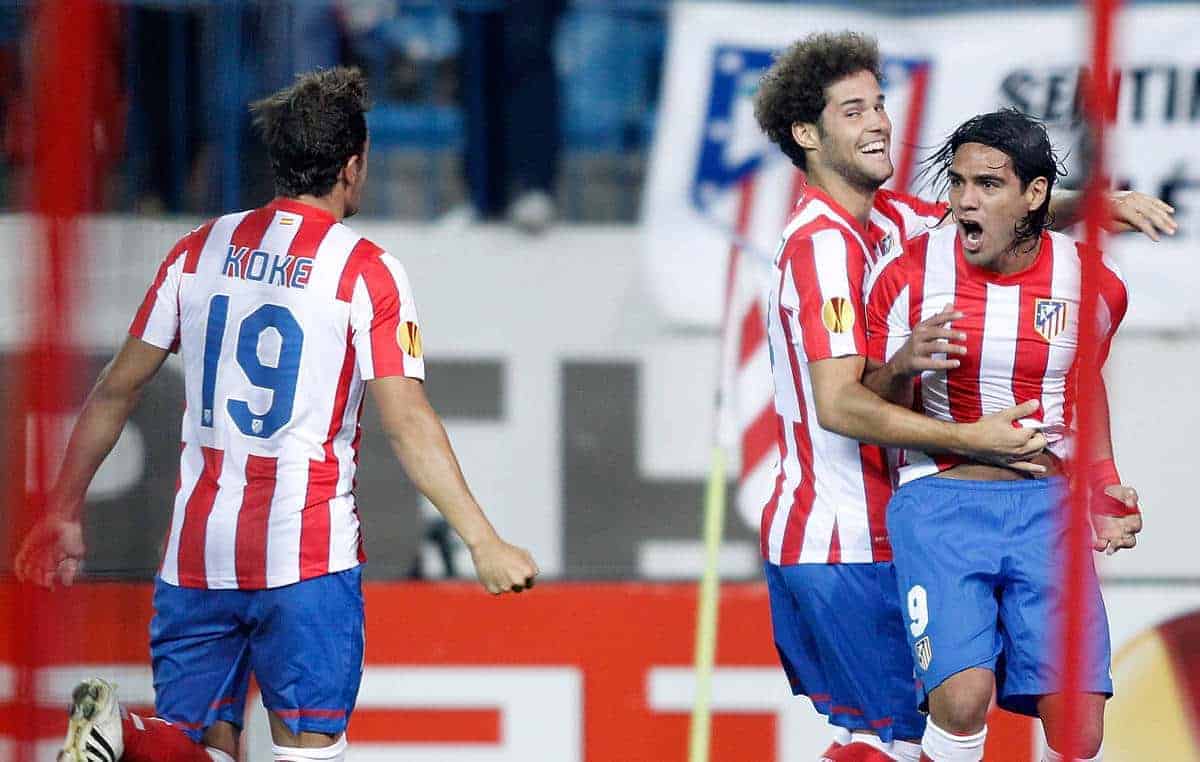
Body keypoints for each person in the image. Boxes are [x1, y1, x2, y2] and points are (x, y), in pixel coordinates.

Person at [16, 67, 538, 762]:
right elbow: (407, 422)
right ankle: (132, 737)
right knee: (310, 753)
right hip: (306, 558)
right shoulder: (365, 271)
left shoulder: (198, 250)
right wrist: (482, 540)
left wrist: (64, 507)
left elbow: (116, 389)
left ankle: (130, 737)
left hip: (197, 554)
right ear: (352, 167)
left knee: (201, 748)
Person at [751, 32, 1173, 762]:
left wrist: (1103, 205)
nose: (880, 121)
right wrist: (979, 440)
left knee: (914, 737)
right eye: (854, 111)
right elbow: (840, 405)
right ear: (808, 134)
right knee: (895, 741)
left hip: (892, 518)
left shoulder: (891, 218)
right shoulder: (823, 245)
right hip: (844, 533)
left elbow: (1001, 211)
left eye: (880, 103)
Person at [864, 109, 1142, 762]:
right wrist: (903, 364)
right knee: (962, 701)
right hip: (942, 506)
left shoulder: (1094, 285)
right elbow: (866, 409)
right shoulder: (906, 277)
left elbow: (1083, 386)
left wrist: (1102, 486)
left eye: (987, 185)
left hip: (1047, 510)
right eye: (957, 183)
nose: (965, 200)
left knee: (1079, 731)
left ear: (1034, 195)